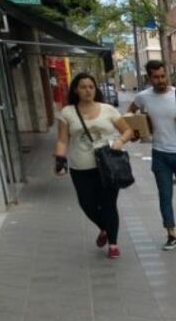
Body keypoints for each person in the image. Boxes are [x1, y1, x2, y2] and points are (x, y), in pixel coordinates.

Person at [54, 72, 134, 259]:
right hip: (80, 168)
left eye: (91, 87)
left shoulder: (108, 109)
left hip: (108, 166)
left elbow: (128, 131)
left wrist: (120, 142)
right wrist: (60, 160)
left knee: (108, 205)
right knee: (87, 204)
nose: (88, 90)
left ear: (95, 89)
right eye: (83, 87)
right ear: (76, 90)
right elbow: (62, 140)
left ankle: (113, 244)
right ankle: (104, 228)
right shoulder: (67, 113)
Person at [128, 60, 176, 250]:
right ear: (149, 78)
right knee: (164, 195)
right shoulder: (143, 97)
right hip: (159, 154)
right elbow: (130, 113)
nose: (160, 80)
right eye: (156, 77)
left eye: (163, 76)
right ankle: (171, 234)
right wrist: (136, 131)